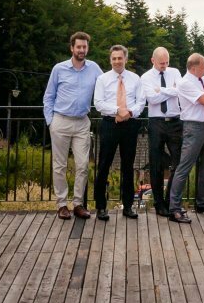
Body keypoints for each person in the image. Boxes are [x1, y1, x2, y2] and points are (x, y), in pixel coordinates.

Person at [43, 31, 103, 220]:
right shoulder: (59, 69)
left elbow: (106, 85)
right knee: (59, 165)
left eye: (84, 47)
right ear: (72, 48)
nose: (82, 50)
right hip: (60, 121)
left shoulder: (94, 69)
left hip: (82, 122)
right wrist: (50, 122)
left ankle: (78, 204)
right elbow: (48, 96)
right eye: (78, 46)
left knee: (83, 165)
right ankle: (62, 204)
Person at [168, 53, 204, 223]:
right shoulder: (185, 83)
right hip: (193, 126)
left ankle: (202, 203)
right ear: (194, 67)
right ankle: (174, 209)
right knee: (184, 166)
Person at [93, 45, 144, 220]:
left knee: (128, 166)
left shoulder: (135, 79)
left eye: (119, 58)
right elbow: (98, 103)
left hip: (130, 125)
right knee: (104, 165)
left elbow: (141, 102)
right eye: (114, 58)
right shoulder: (102, 79)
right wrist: (117, 110)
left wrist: (128, 113)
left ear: (125, 59)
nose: (117, 61)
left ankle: (128, 206)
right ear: (110, 60)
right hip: (109, 124)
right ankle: (101, 207)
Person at [141, 47, 182, 216]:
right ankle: (159, 204)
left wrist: (162, 90)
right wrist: (170, 91)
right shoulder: (146, 77)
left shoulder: (175, 72)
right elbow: (152, 98)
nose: (165, 66)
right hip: (156, 122)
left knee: (179, 163)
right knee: (156, 164)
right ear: (153, 61)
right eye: (161, 63)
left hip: (175, 121)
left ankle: (171, 201)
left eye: (167, 62)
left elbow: (180, 91)